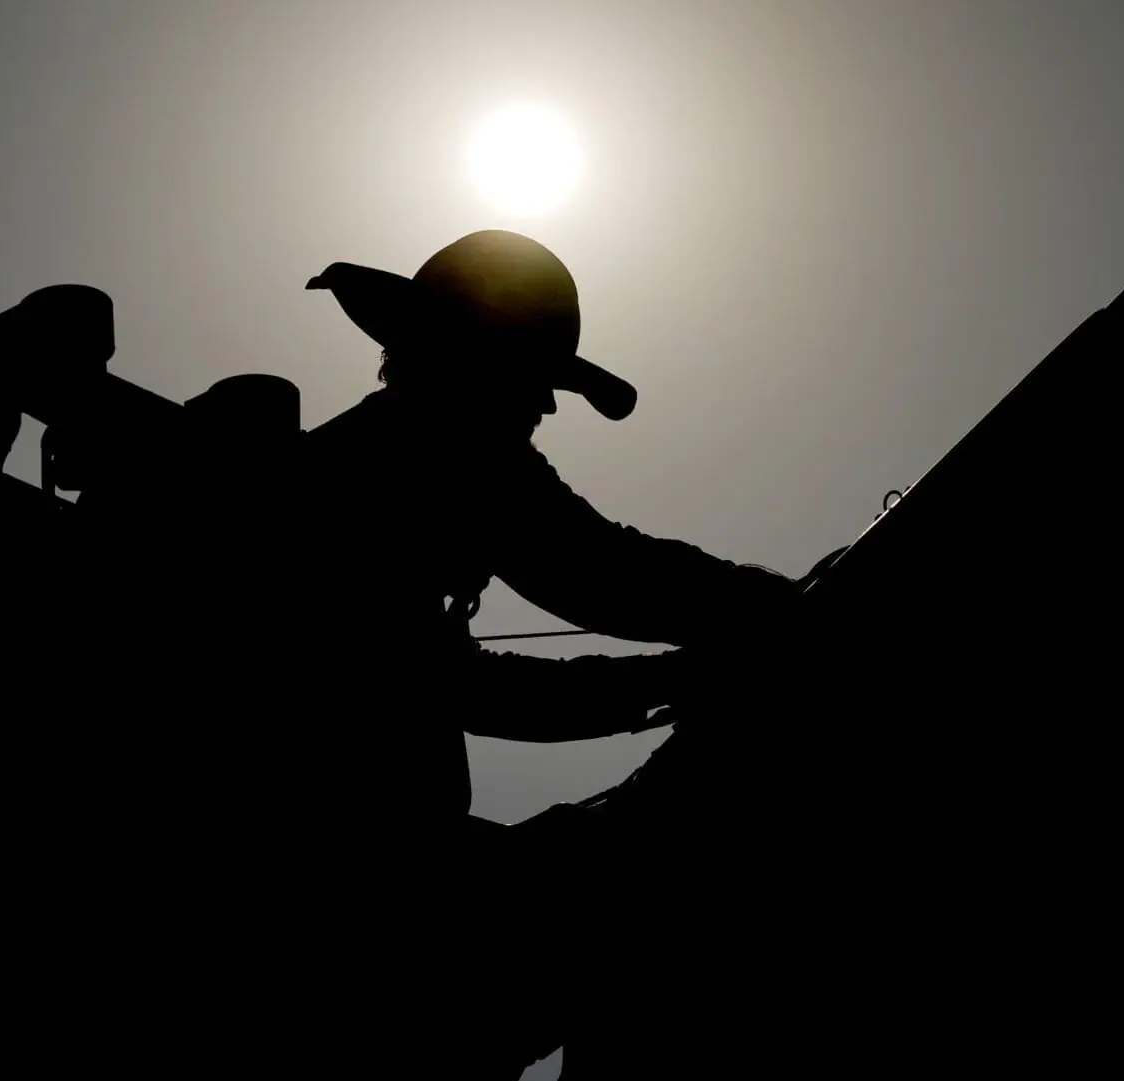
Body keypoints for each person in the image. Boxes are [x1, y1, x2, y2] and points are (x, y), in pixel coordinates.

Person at [286, 229, 804, 1074]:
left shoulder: (414, 448)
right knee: (636, 903)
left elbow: (596, 575)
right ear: (466, 366)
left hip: (377, 875)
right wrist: (737, 635)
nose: (545, 407)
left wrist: (704, 648)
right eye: (531, 381)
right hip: (352, 892)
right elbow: (598, 576)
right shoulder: (441, 454)